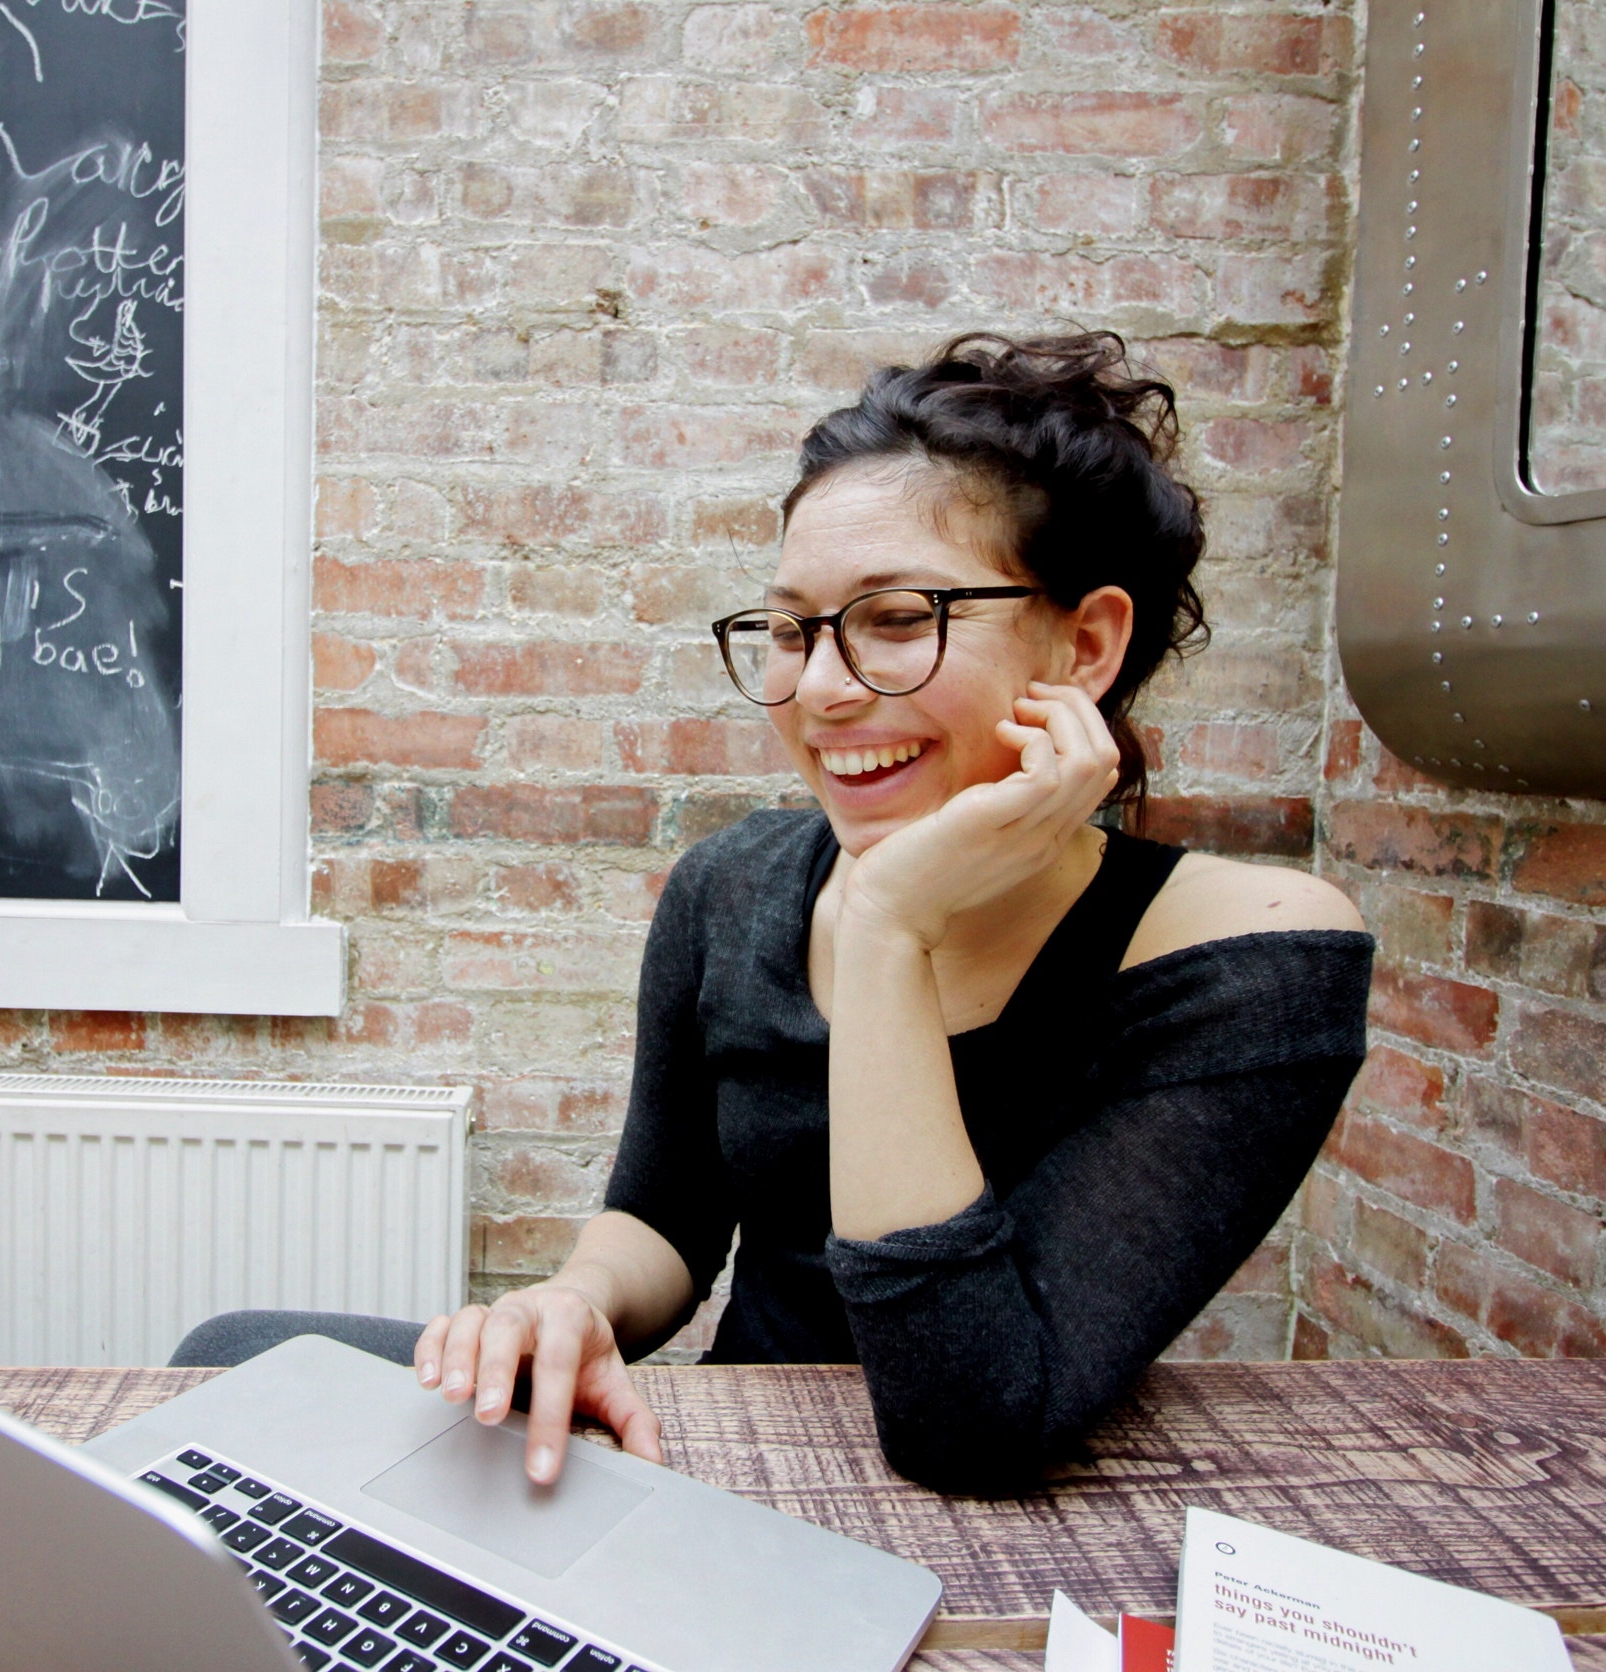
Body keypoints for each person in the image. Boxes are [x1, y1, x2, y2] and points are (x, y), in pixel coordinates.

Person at [176, 331, 1374, 1498]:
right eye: (794, 630)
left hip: (989, 1522)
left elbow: (969, 1415)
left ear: (1089, 641)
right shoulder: (736, 884)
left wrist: (891, 926)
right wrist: (576, 1302)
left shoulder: (1248, 957)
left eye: (899, 620)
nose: (820, 689)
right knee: (233, 1364)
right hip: (721, 1468)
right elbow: (662, 1219)